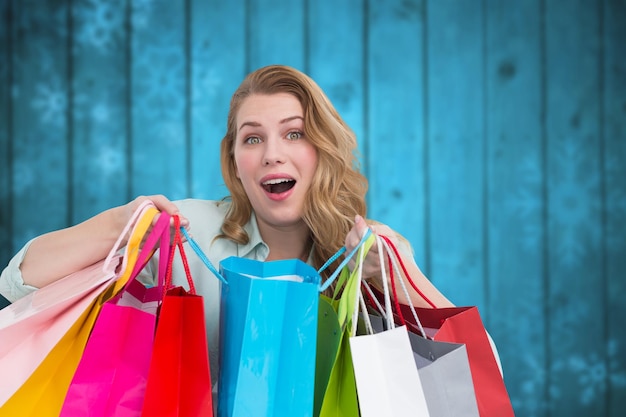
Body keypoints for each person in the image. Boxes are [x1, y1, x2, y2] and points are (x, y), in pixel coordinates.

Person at [0, 65, 457, 381]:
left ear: (322, 150)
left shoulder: (368, 253)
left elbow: (469, 371)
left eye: (294, 133)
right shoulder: (187, 230)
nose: (272, 152)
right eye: (252, 137)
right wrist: (122, 224)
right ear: (236, 162)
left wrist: (402, 277)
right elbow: (19, 280)